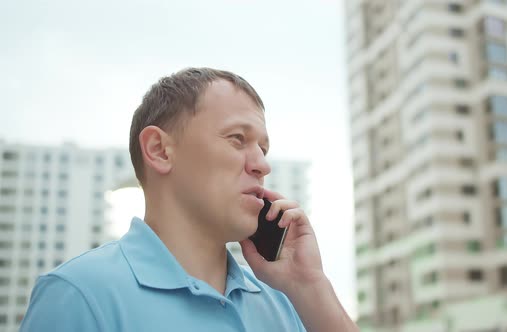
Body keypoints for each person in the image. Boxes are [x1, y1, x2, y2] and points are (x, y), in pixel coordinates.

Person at [21, 68, 359, 331]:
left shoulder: (286, 302)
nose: (262, 164)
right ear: (159, 150)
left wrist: (310, 286)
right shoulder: (78, 295)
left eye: (263, 148)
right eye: (238, 139)